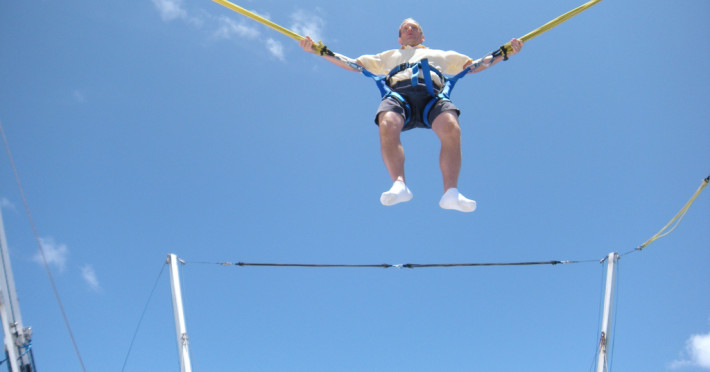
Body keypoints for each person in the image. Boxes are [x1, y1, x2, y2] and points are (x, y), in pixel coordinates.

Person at [299, 18, 523, 212]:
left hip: (432, 96)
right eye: (405, 28)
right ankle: (399, 184)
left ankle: (451, 193)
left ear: (422, 35)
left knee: (451, 126)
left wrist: (505, 53)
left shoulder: (442, 55)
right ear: (399, 38)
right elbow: (351, 63)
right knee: (386, 122)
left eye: (414, 27)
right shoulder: (388, 56)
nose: (409, 30)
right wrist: (318, 50)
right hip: (400, 96)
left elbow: (474, 65)